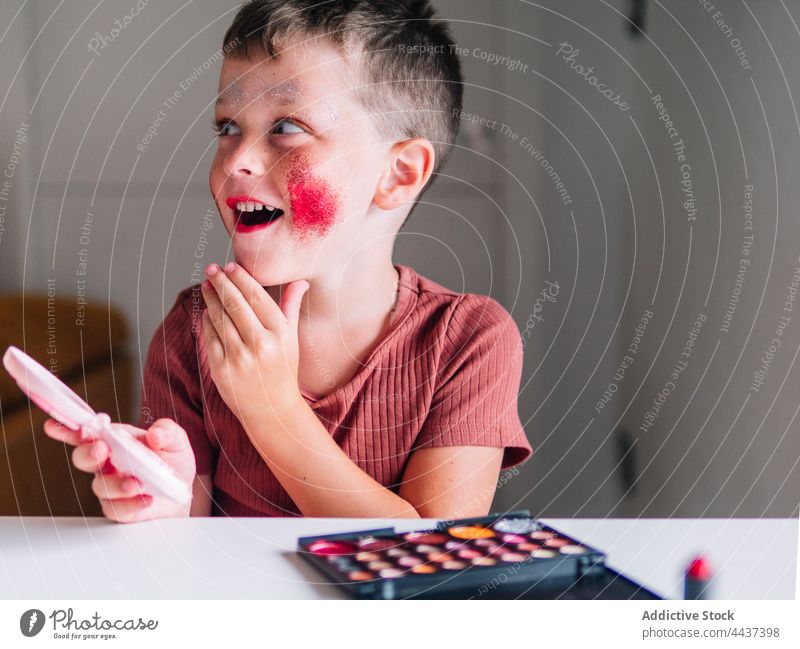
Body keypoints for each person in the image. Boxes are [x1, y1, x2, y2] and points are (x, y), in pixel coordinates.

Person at [44, 0, 531, 522]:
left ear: (398, 175)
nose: (238, 159)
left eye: (286, 127)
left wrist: (271, 411)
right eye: (228, 127)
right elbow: (183, 564)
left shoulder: (469, 341)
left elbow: (433, 564)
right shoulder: (195, 334)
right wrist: (160, 503)